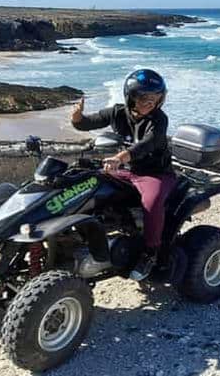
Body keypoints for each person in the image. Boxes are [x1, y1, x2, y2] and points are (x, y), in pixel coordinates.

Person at [70, 68, 176, 280]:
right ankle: (83, 234)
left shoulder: (159, 120)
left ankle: (150, 252)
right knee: (84, 180)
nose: (149, 103)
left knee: (152, 202)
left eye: (155, 98)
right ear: (131, 97)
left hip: (154, 174)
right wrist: (77, 117)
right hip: (124, 171)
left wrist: (120, 158)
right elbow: (88, 123)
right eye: (144, 97)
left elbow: (148, 144)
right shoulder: (117, 113)